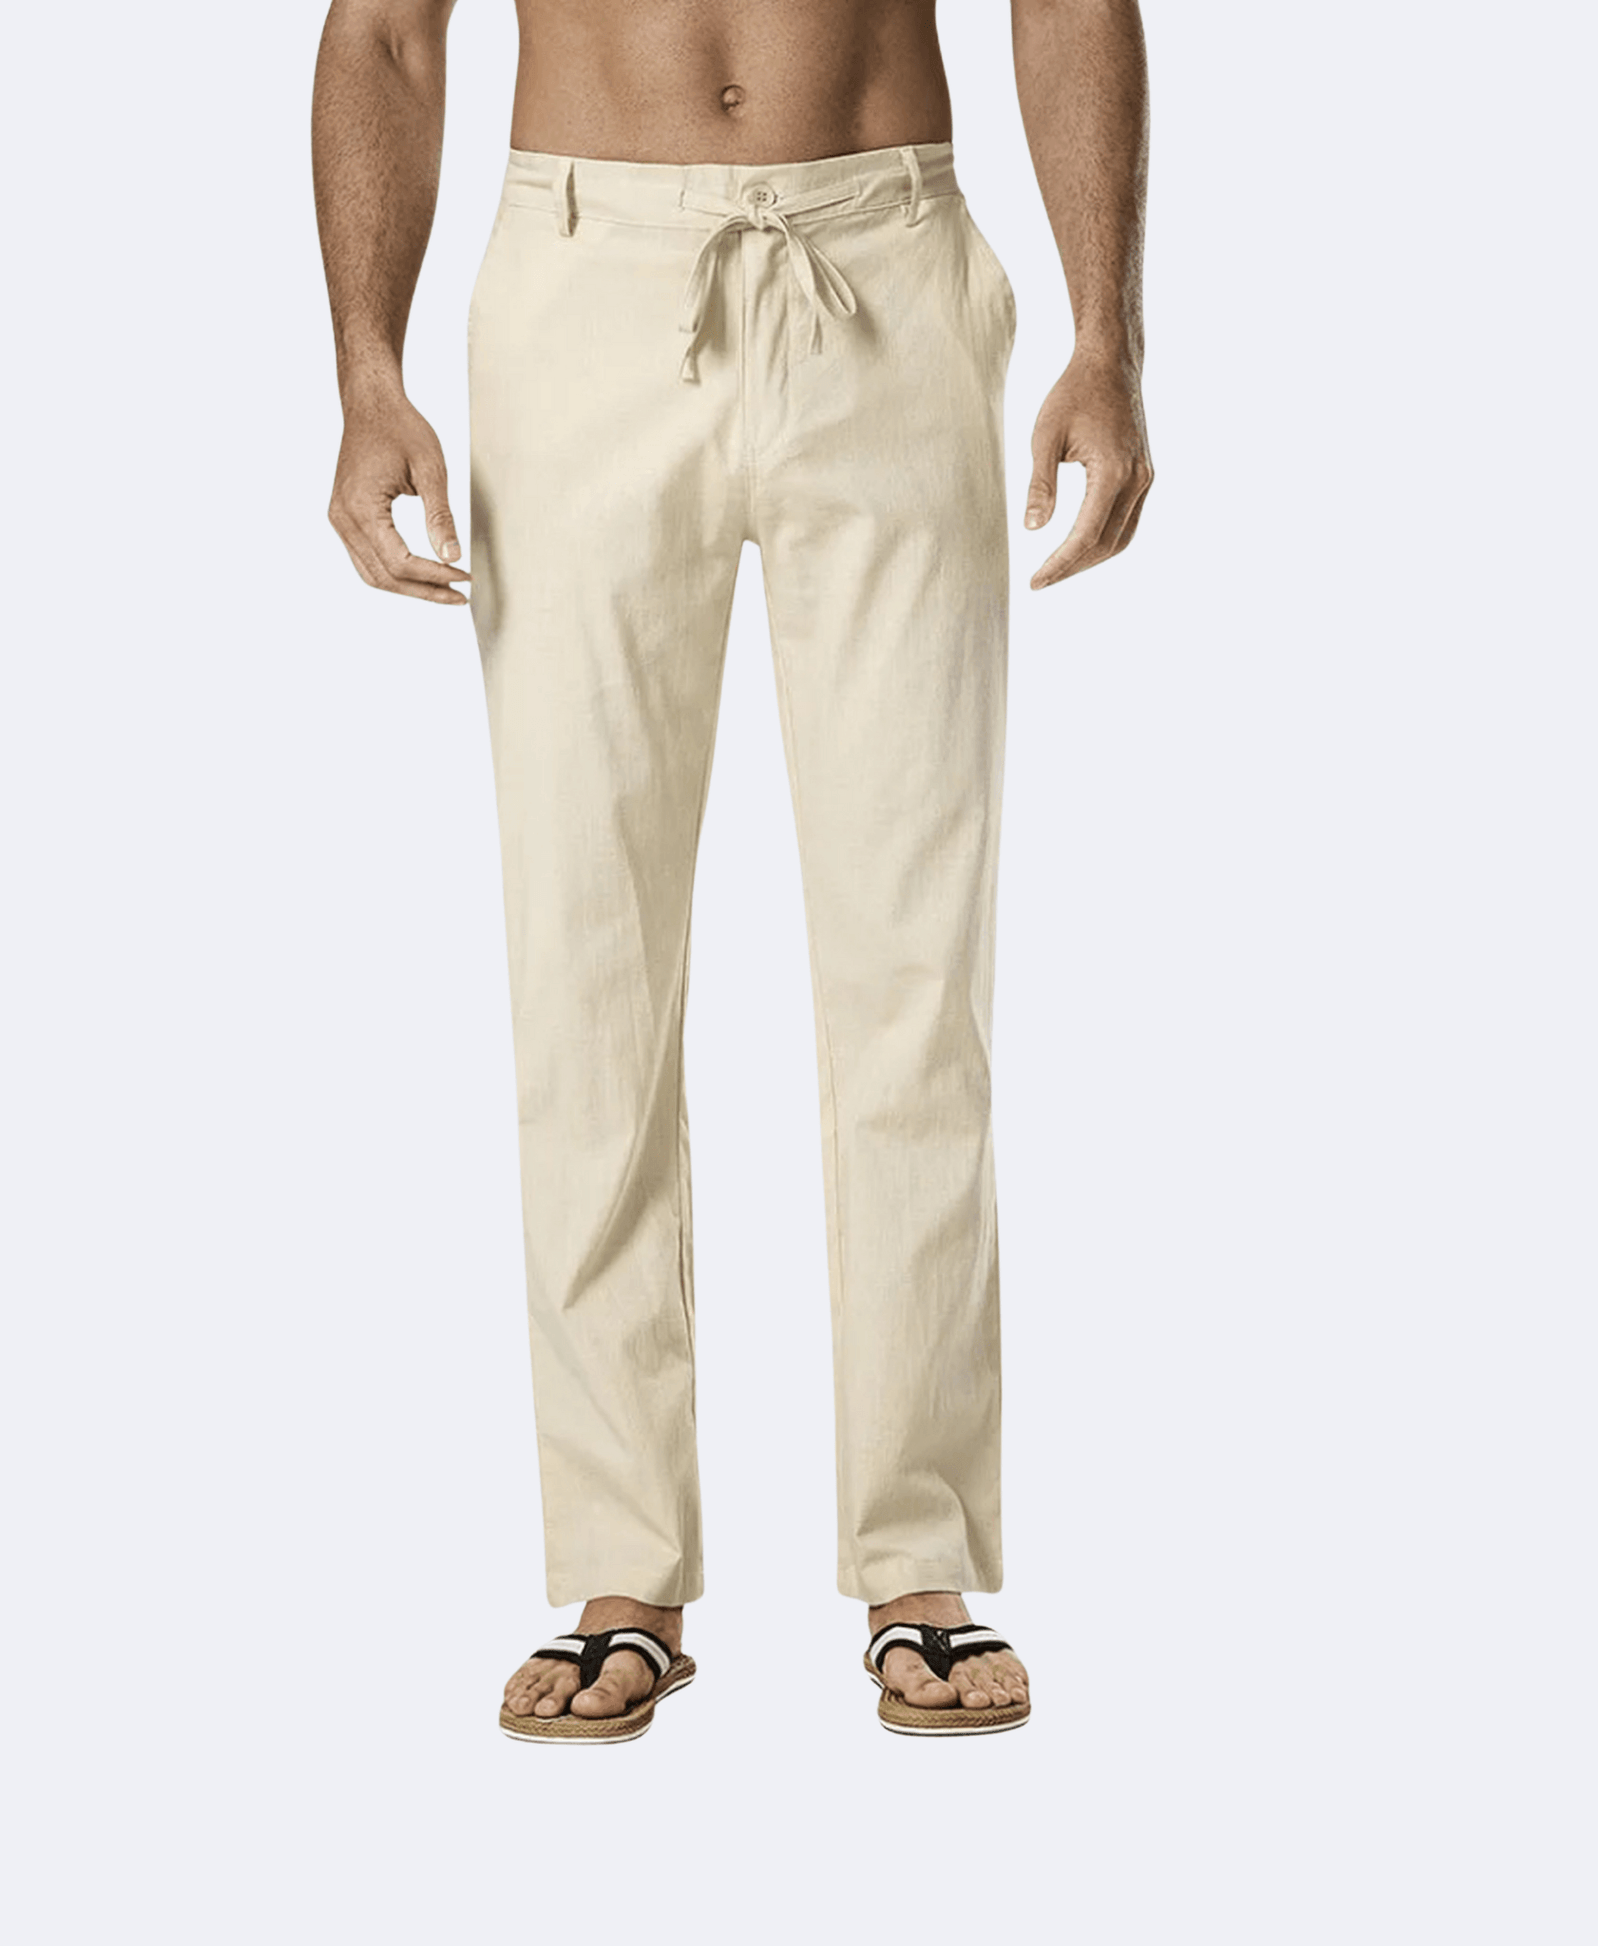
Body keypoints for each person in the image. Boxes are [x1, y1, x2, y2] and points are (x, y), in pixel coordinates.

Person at [311, 0, 1153, 1740]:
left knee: (915, 965)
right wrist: (365, 374)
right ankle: (620, 1564)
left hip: (886, 257)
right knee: (584, 963)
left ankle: (921, 1559)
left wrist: (1107, 335)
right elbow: (385, 30)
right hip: (580, 278)